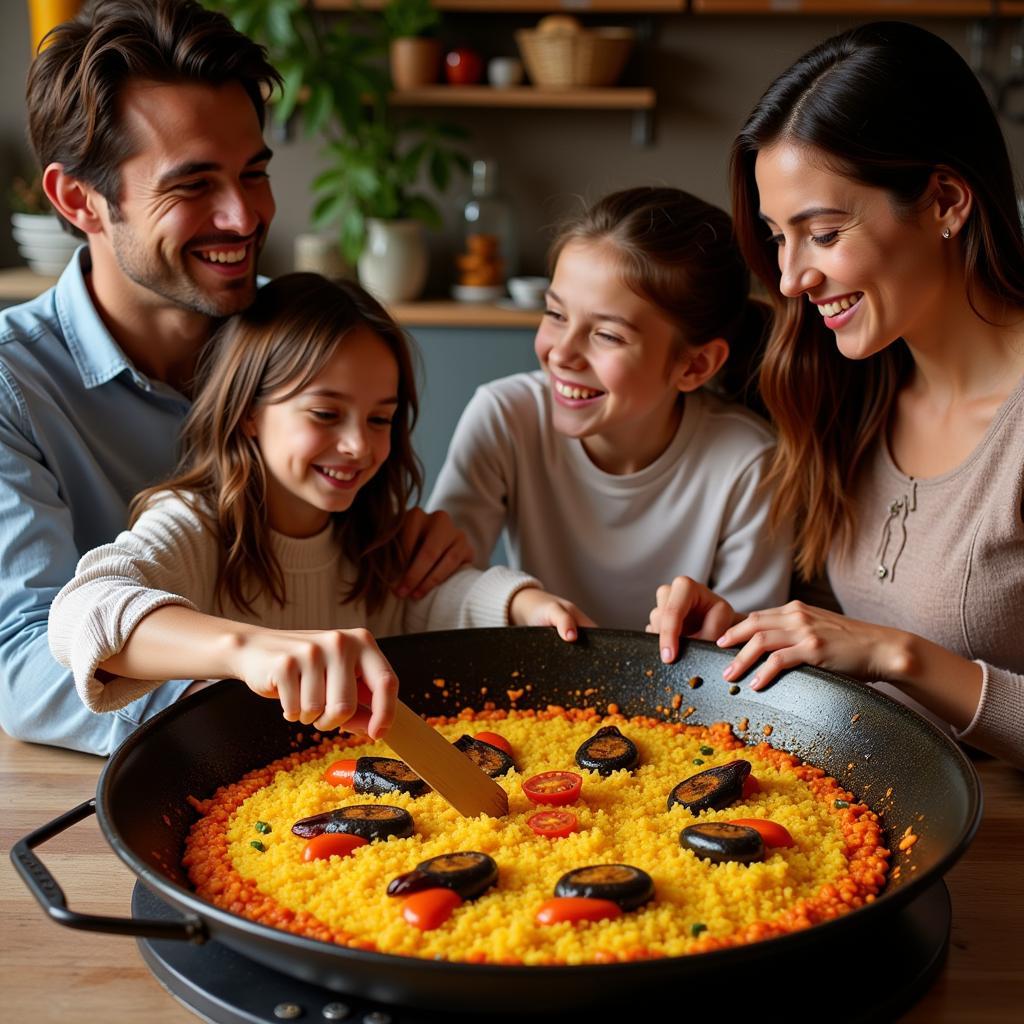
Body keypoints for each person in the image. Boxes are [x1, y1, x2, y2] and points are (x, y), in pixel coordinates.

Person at [0, 0, 467, 755]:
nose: (245, 216)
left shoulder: (300, 340)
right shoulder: (10, 385)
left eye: (254, 173)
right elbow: (21, 664)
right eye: (193, 186)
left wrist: (413, 542)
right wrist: (252, 682)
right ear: (78, 200)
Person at [650, 22, 1024, 769]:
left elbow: (882, 653)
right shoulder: (850, 388)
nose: (790, 278)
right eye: (777, 237)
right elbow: (851, 652)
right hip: (885, 815)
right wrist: (749, 638)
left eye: (822, 233)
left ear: (946, 200)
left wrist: (898, 656)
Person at [48, 274, 589, 737]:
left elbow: (442, 600)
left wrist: (524, 605)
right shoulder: (195, 522)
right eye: (326, 414)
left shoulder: (372, 531)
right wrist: (246, 650)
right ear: (248, 413)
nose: (359, 445)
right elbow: (80, 616)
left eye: (380, 419)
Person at [428, 187, 792, 629]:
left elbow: (749, 647)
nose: (562, 354)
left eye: (607, 335)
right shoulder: (505, 416)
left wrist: (709, 640)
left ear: (694, 365)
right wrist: (519, 602)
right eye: (556, 314)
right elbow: (437, 587)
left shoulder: (749, 462)